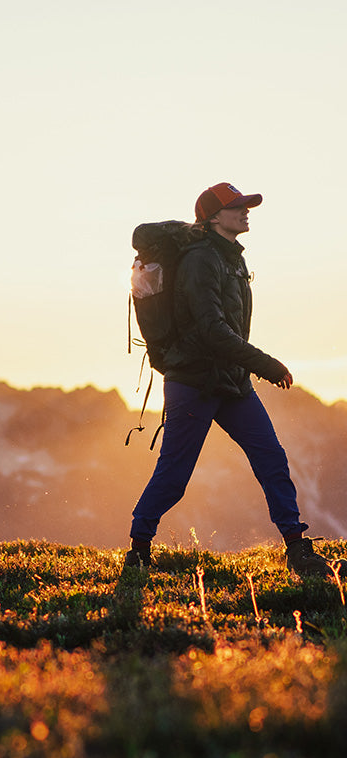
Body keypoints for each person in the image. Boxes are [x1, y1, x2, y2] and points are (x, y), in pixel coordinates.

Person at [124, 182, 337, 580]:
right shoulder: (201, 260)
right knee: (174, 475)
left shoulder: (231, 258)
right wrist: (267, 365)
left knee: (271, 458)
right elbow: (212, 331)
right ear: (213, 217)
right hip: (193, 382)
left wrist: (247, 368)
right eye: (236, 207)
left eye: (245, 206)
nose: (245, 211)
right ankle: (138, 549)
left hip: (231, 382)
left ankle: (296, 547)